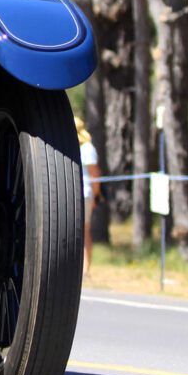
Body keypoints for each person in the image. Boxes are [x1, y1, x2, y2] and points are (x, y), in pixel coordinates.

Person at [75, 117, 101, 276]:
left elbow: (94, 175)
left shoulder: (87, 148)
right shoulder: (78, 147)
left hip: (85, 193)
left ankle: (86, 268)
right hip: (80, 193)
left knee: (84, 230)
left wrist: (96, 196)